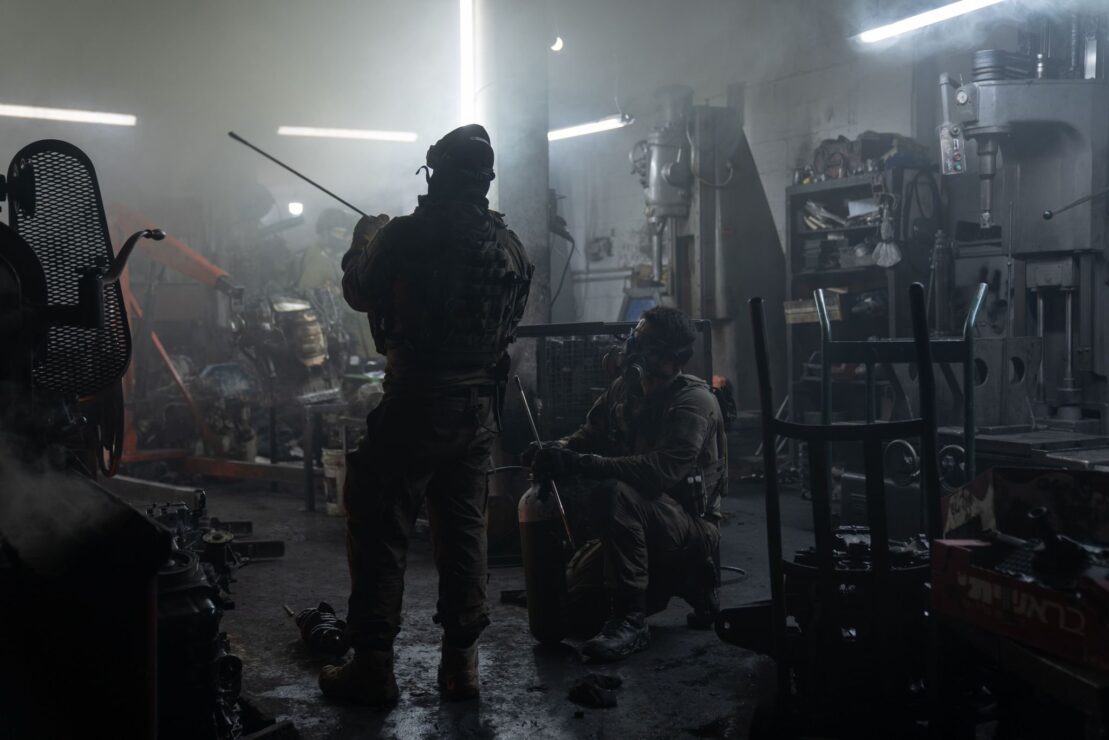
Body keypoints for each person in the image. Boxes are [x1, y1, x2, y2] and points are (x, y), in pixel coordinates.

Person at [318, 124, 533, 707]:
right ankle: (462, 668)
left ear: (437, 173)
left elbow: (360, 291)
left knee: (380, 524)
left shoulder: (406, 235)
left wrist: (363, 240)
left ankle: (373, 669)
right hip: (478, 413)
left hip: (416, 405)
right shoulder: (511, 246)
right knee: (464, 532)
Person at [524, 306, 727, 662]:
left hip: (689, 525)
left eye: (648, 346)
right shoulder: (624, 390)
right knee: (576, 614)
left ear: (674, 358)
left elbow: (659, 472)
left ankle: (631, 620)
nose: (633, 350)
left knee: (615, 493)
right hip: (641, 517)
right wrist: (556, 450)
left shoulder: (693, 402)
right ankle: (689, 581)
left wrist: (586, 463)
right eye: (635, 339)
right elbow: (588, 436)